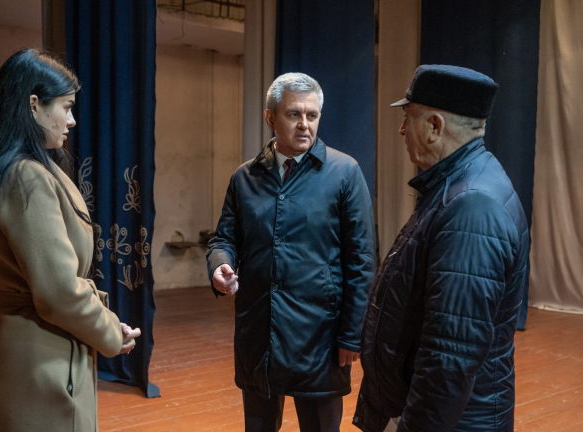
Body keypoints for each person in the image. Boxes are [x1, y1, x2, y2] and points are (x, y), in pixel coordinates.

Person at [0, 49, 140, 432]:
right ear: (34, 105)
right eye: (66, 107)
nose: (72, 120)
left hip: (23, 357)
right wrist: (110, 332)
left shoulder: (9, 167)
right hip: (40, 366)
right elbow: (58, 292)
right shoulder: (26, 176)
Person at [353, 65, 530, 432]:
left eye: (408, 118)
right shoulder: (460, 185)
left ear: (434, 126)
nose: (402, 130)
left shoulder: (473, 207)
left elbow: (450, 358)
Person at [207, 72, 375, 432]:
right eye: (293, 114)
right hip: (259, 330)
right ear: (270, 118)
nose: (304, 124)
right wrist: (220, 265)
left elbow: (361, 261)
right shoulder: (244, 178)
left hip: (320, 336)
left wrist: (351, 335)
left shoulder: (345, 173)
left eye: (312, 115)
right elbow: (223, 239)